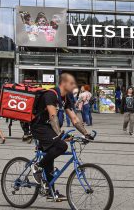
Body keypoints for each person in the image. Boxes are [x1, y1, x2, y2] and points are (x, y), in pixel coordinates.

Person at [30, 73, 92, 202]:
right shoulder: (51, 95)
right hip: (39, 127)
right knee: (61, 145)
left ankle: (49, 191)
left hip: (49, 129)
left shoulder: (65, 98)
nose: (74, 86)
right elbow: (53, 116)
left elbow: (74, 118)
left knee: (50, 158)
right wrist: (60, 135)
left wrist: (86, 133)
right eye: (71, 83)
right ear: (63, 83)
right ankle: (37, 166)